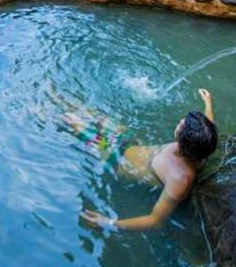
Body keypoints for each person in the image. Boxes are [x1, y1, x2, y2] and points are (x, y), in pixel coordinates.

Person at [71, 88, 217, 231]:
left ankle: (50, 113)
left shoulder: (179, 179)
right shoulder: (202, 146)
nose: (180, 122)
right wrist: (208, 103)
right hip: (128, 142)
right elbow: (208, 127)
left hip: (114, 157)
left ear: (184, 140)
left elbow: (155, 221)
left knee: (72, 121)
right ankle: (53, 95)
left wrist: (108, 222)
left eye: (182, 125)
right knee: (85, 111)